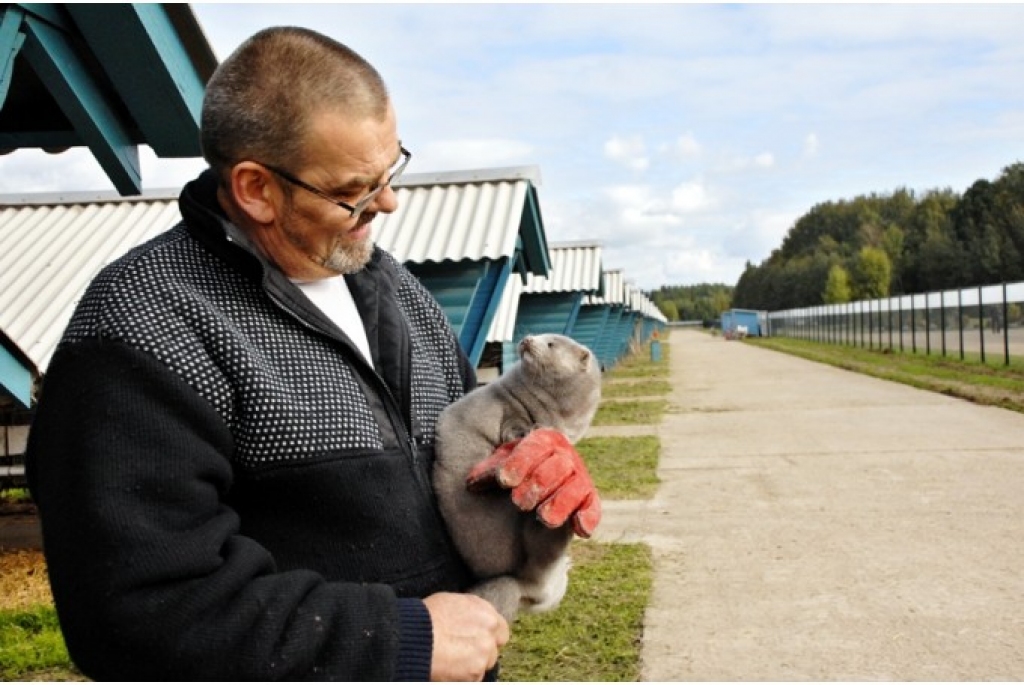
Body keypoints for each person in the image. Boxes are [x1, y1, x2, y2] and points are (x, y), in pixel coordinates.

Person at [25, 26, 600, 681]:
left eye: (392, 169)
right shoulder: (143, 330)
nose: (387, 202)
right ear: (255, 189)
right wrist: (399, 638)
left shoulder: (397, 291)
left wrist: (532, 485)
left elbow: (471, 474)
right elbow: (134, 611)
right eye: (354, 188)